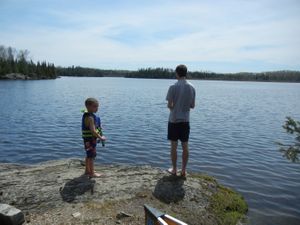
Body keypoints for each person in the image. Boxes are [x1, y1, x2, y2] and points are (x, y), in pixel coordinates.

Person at [166, 65, 196, 177]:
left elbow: (170, 105)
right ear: (186, 73)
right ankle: (183, 170)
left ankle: (174, 169)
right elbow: (192, 106)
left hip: (173, 120)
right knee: (185, 146)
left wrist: (173, 107)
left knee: (174, 146)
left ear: (177, 73)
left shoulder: (172, 87)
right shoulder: (192, 87)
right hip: (185, 121)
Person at [82, 98, 106, 178]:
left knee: (88, 155)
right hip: (90, 140)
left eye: (97, 106)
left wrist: (99, 127)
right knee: (92, 156)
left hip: (87, 140)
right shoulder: (90, 118)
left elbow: (93, 128)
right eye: (95, 107)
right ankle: (92, 173)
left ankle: (87, 171)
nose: (97, 108)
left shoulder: (87, 115)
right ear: (88, 107)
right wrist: (101, 137)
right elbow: (93, 131)